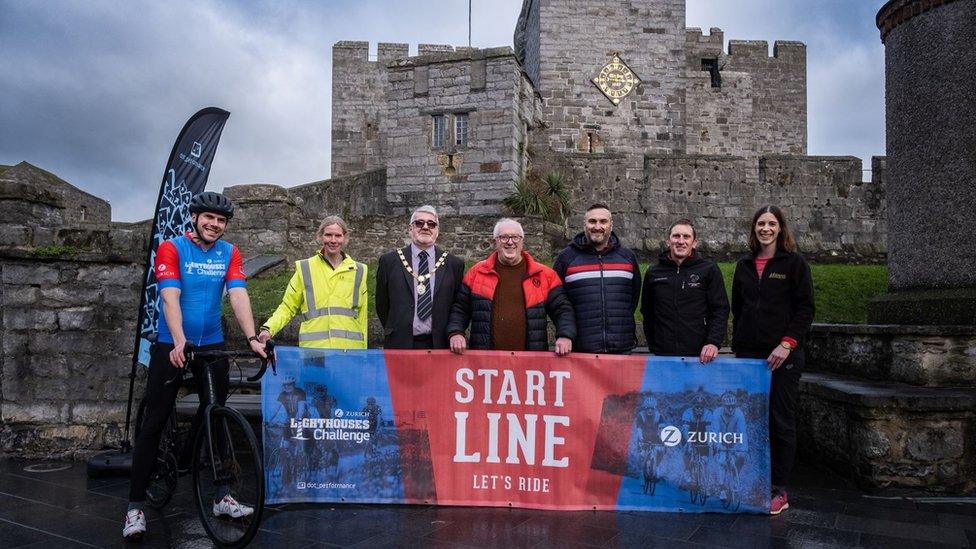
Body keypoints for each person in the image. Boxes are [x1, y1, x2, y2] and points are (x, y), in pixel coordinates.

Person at [123, 191, 266, 541]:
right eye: (208, 218)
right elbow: (169, 296)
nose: (214, 225)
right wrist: (178, 339)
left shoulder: (229, 252)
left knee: (214, 414)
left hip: (212, 341)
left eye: (220, 221)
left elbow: (237, 295)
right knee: (155, 419)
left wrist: (251, 339)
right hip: (172, 342)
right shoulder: (173, 248)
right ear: (195, 218)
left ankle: (221, 497)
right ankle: (135, 507)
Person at [731, 205, 814, 515]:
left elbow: (805, 309)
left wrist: (787, 344)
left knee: (780, 420)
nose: (765, 228)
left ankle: (779, 488)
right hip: (751, 356)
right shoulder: (743, 265)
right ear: (754, 229)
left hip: (783, 357)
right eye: (760, 224)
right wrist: (740, 345)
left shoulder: (794, 264)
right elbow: (738, 309)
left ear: (781, 228)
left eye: (771, 223)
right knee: (752, 421)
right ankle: (755, 480)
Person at [447, 218, 576, 355]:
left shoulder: (545, 275)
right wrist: (455, 332)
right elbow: (460, 309)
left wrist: (565, 335)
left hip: (531, 364)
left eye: (515, 237)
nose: (510, 242)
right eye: (503, 237)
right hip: (485, 364)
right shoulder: (476, 273)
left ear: (522, 242)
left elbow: (562, 309)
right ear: (494, 242)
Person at [258, 216, 368, 348]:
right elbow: (287, 307)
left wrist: (364, 354)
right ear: (321, 236)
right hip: (314, 350)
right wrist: (268, 329)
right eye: (328, 235)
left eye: (338, 236)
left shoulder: (360, 270)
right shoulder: (305, 268)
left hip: (350, 351)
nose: (333, 240)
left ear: (344, 238)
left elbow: (362, 315)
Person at [553, 204, 641, 353]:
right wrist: (565, 333)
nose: (597, 226)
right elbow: (557, 301)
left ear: (611, 225)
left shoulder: (627, 257)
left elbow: (632, 299)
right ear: (584, 224)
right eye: (592, 221)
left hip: (621, 347)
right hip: (581, 350)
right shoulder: (566, 258)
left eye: (603, 221)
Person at [375, 205, 465, 349]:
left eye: (431, 224)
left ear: (437, 231)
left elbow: (458, 304)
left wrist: (454, 332)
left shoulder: (454, 264)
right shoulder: (389, 261)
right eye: (419, 223)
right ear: (410, 229)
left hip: (440, 345)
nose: (425, 227)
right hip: (400, 344)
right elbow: (382, 303)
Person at [641, 218, 729, 363]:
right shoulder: (654, 272)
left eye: (686, 236)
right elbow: (647, 311)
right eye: (676, 236)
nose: (681, 241)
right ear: (668, 241)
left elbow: (720, 309)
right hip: (663, 354)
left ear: (694, 242)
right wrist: (653, 344)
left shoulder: (708, 270)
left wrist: (713, 342)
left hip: (700, 355)